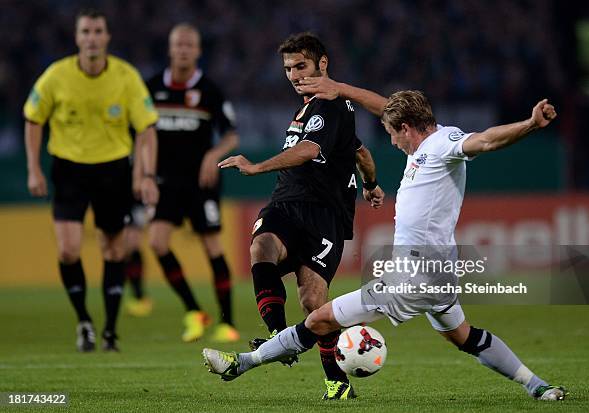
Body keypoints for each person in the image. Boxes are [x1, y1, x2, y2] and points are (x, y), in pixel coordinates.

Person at [202, 90, 567, 401]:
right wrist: (340, 87)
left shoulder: (443, 146)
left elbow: (486, 140)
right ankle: (538, 386)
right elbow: (386, 106)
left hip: (415, 275)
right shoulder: (428, 142)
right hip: (439, 271)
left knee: (319, 319)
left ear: (407, 128)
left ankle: (240, 364)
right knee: (463, 335)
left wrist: (530, 124)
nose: (393, 142)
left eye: (394, 134)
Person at [216, 32, 383, 400]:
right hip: (287, 203)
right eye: (288, 68)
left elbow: (309, 150)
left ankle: (337, 382)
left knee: (313, 303)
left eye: (301, 66)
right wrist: (371, 183)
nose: (293, 74)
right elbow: (362, 153)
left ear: (323, 64)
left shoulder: (332, 104)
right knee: (262, 247)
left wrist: (257, 166)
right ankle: (279, 335)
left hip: (325, 215)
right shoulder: (309, 108)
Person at [23, 9, 159, 352]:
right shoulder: (56, 76)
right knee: (68, 250)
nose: (92, 38)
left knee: (113, 250)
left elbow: (146, 128)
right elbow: (33, 119)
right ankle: (84, 321)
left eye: (98, 31)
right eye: (86, 31)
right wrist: (33, 169)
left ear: (107, 37)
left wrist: (143, 174)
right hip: (68, 170)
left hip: (112, 171)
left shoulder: (126, 77)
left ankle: (110, 330)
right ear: (77, 37)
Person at [145, 23, 240, 343]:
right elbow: (141, 133)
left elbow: (231, 134)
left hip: (201, 182)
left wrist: (212, 154)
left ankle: (227, 322)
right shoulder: (152, 88)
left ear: (197, 51)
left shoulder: (210, 90)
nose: (183, 49)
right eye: (178, 44)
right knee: (157, 242)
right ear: (170, 49)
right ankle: (193, 311)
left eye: (189, 45)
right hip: (165, 182)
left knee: (212, 246)